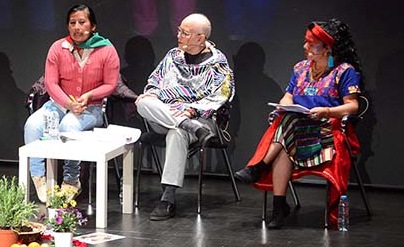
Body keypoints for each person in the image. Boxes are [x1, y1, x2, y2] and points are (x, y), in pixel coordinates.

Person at [235, 18, 363, 229]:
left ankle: (260, 166)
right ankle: (278, 207)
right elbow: (288, 96)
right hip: (297, 128)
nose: (305, 47)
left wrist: (327, 111)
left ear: (327, 48)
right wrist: (285, 105)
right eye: (306, 42)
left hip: (326, 131)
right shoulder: (301, 68)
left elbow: (353, 106)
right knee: (287, 128)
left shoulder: (344, 71)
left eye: (311, 44)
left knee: (286, 130)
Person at [135, 13, 235, 220]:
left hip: (201, 120)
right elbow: (154, 82)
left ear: (201, 38)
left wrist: (193, 111)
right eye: (179, 31)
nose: (179, 36)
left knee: (177, 133)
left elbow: (221, 96)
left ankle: (168, 198)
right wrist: (153, 92)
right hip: (167, 115)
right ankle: (187, 125)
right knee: (142, 102)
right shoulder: (173, 56)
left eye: (185, 33)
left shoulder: (218, 63)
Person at [23, 4, 120, 203]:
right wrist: (68, 103)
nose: (77, 27)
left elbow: (110, 84)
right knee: (33, 125)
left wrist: (89, 96)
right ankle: (39, 177)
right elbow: (50, 83)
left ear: (93, 26)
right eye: (72, 23)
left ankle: (71, 178)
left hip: (90, 107)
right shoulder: (58, 48)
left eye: (82, 22)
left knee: (69, 125)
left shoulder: (106, 49)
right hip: (58, 105)